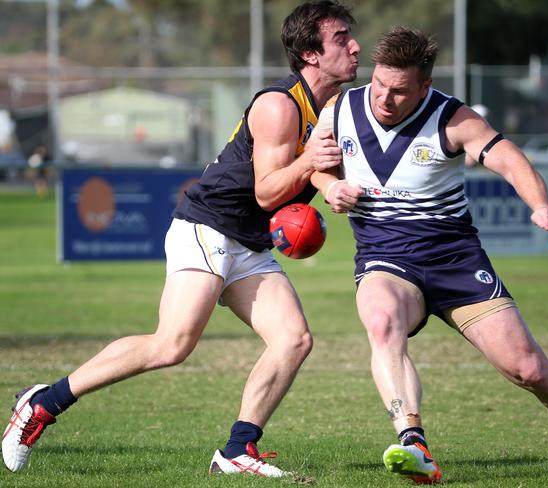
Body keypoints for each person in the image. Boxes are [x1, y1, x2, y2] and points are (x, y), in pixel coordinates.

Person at [2, 0, 360, 477]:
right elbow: (268, 187)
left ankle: (237, 450)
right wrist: (313, 162)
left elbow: (308, 169)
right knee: (172, 344)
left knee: (293, 339)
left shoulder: (332, 107)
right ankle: (42, 403)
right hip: (208, 225)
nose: (355, 46)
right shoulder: (278, 105)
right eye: (341, 39)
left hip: (249, 242)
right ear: (310, 54)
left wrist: (329, 183)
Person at [319, 27, 548, 484]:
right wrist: (331, 186)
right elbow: (320, 165)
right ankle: (414, 443)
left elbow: (510, 160)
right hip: (385, 255)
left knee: (530, 370)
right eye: (380, 85)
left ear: (425, 86)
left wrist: (539, 205)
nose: (385, 99)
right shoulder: (340, 108)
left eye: (399, 91)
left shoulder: (455, 120)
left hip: (454, 258)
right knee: (382, 320)